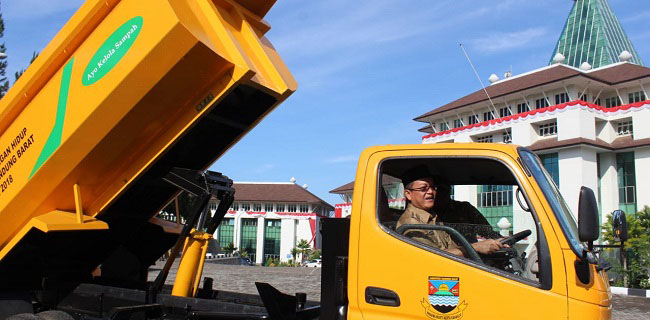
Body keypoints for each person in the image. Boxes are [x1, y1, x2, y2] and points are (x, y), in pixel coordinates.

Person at [395, 165, 505, 257]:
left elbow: (451, 247)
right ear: (408, 194)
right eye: (424, 189)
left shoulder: (433, 216)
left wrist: (499, 242)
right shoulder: (411, 223)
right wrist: (475, 247)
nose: (431, 192)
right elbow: (431, 256)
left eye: (433, 188)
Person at [432, 176, 502, 243]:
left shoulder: (465, 208)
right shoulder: (426, 213)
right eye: (436, 190)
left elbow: (487, 231)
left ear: (449, 190)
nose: (439, 194)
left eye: (443, 190)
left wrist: (502, 241)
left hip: (470, 253)